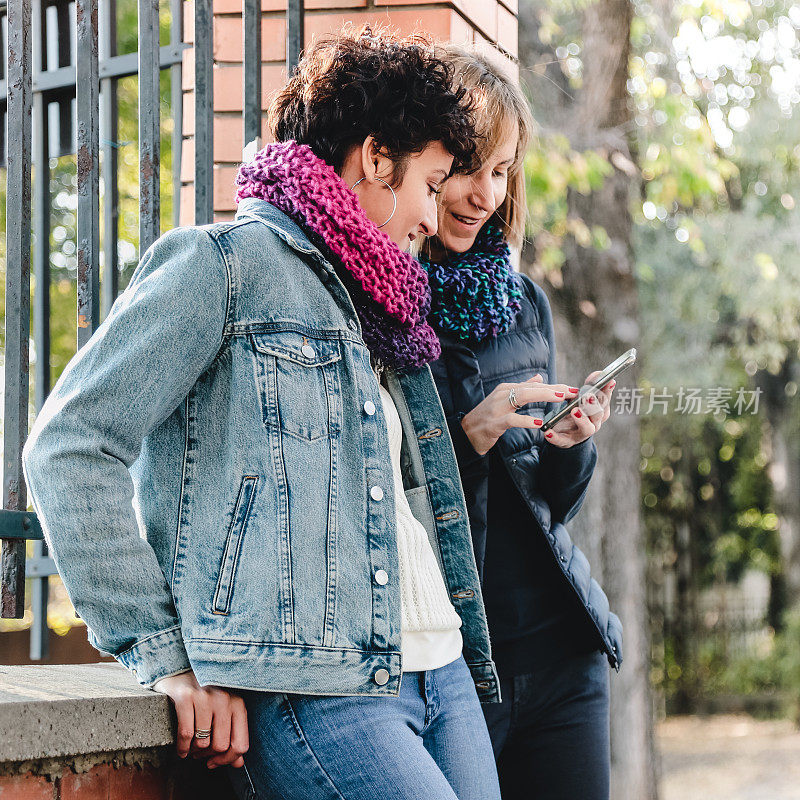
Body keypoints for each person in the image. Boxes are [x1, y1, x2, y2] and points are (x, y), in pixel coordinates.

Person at [22, 29, 503, 800]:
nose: (435, 209)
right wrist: (165, 654)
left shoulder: (377, 310)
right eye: (432, 180)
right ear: (377, 159)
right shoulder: (224, 266)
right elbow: (70, 445)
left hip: (439, 666)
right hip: (317, 689)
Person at [419, 45, 624, 800]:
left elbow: (550, 501)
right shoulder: (382, 311)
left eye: (502, 170)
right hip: (460, 673)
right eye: (470, 165)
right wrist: (467, 442)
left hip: (564, 657)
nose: (484, 193)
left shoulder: (523, 304)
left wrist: (571, 445)